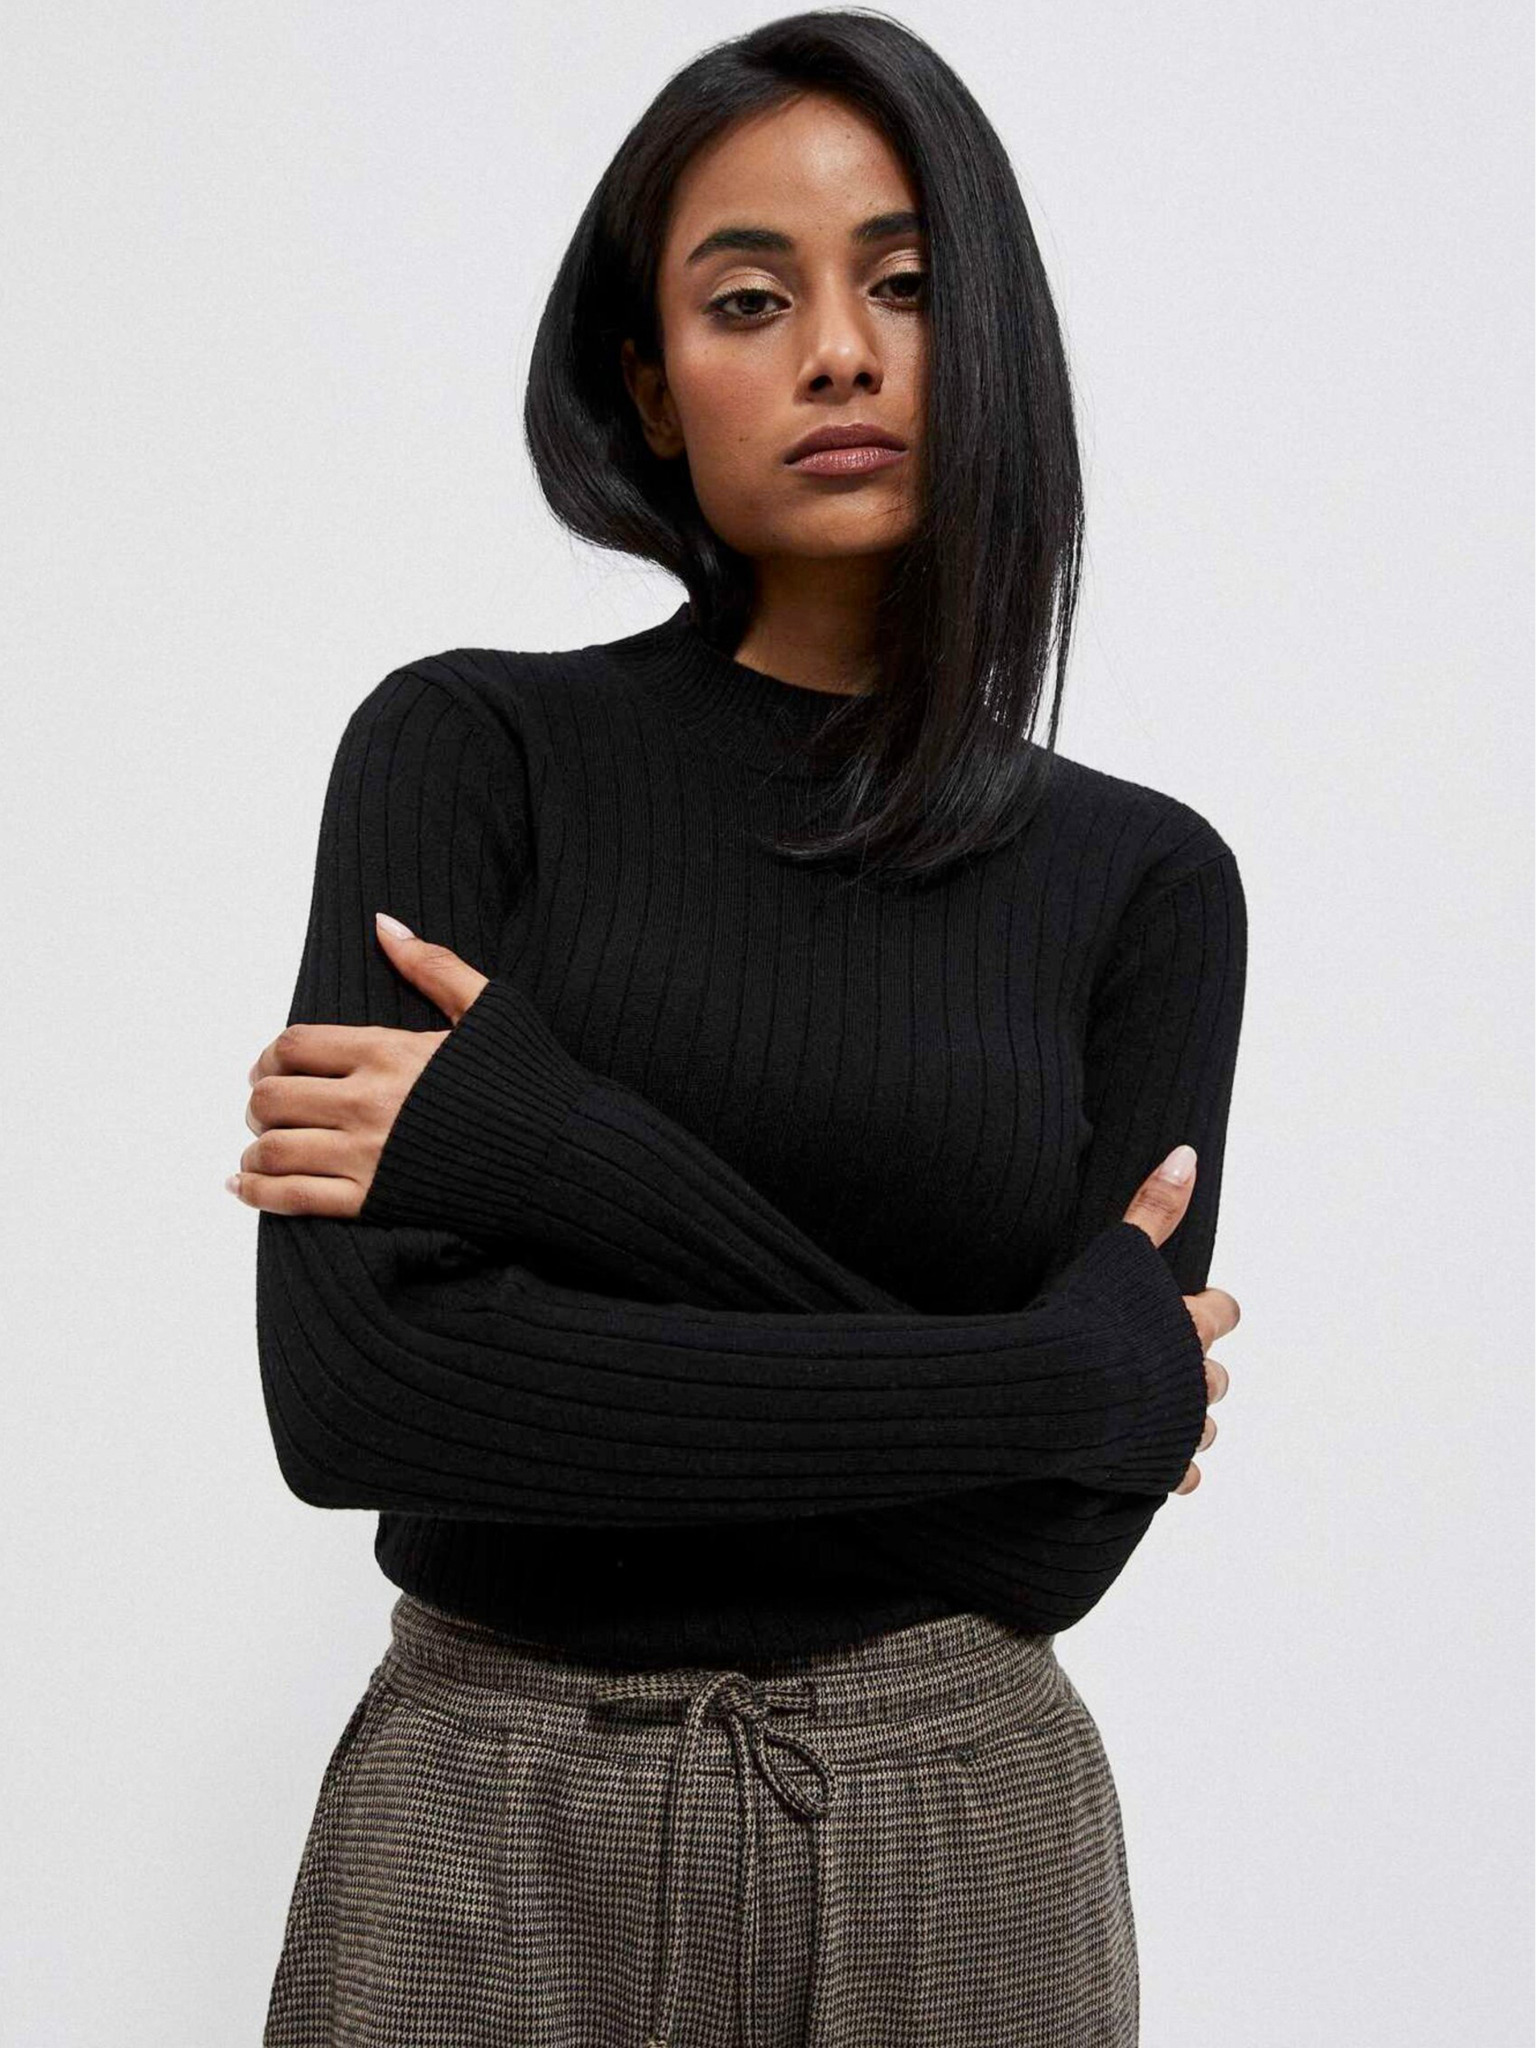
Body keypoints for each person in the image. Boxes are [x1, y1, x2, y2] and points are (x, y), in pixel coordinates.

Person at [233, 13, 1247, 2044]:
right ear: (649, 381)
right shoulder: (471, 751)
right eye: (749, 299)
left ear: (994, 338)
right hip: (495, 1808)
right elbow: (361, 1400)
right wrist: (1052, 1376)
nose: (840, 354)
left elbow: (1054, 1544)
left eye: (906, 283)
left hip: (963, 1823)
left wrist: (562, 1163)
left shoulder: (1141, 879)